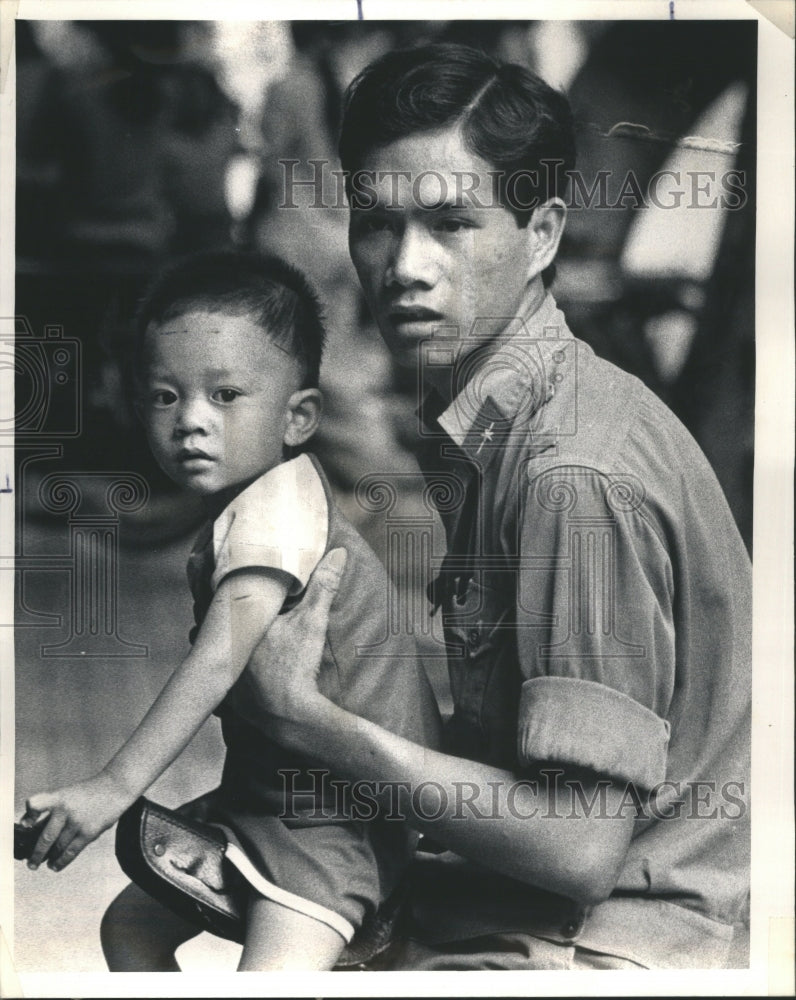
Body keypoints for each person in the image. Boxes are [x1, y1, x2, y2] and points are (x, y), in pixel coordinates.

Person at [242, 44, 752, 970]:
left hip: (622, 938)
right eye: (377, 224)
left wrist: (312, 723)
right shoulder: (502, 416)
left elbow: (579, 849)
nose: (405, 266)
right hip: (529, 898)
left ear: (545, 233)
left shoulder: (574, 477)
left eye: (451, 224)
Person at [20, 250, 441, 971]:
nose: (190, 422)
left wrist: (112, 788)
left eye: (224, 396)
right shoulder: (254, 494)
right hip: (260, 798)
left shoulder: (275, 517)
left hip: (332, 822)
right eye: (164, 397)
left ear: (300, 416)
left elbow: (217, 659)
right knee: (130, 930)